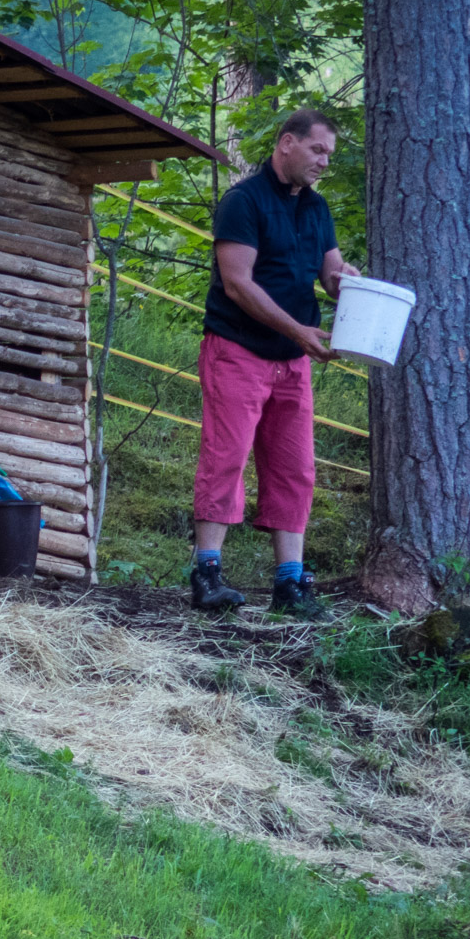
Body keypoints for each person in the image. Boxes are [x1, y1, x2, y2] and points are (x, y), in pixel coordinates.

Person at [189, 108, 359, 616]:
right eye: (317, 149)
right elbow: (238, 283)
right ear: (287, 143)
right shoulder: (243, 201)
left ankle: (290, 585)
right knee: (227, 457)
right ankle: (206, 575)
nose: (324, 161)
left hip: (292, 359)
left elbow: (329, 274)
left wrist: (346, 281)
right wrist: (299, 331)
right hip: (237, 349)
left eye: (329, 153)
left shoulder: (317, 207)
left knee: (295, 469)